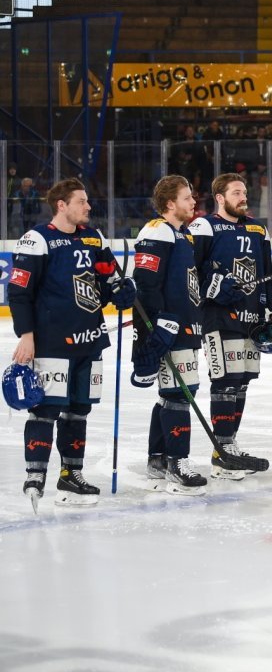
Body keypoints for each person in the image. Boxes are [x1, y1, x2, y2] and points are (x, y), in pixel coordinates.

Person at [9, 178, 136, 507]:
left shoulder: (94, 238)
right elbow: (19, 294)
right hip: (52, 345)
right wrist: (26, 336)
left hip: (90, 341)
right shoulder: (37, 240)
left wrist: (122, 290)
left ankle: (71, 476)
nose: (88, 206)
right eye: (81, 201)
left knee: (79, 411)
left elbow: (110, 279)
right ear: (61, 205)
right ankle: (35, 475)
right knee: (45, 411)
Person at [189, 173, 272, 479]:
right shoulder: (204, 226)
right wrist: (214, 286)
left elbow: (266, 273)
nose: (243, 197)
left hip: (252, 318)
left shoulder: (257, 228)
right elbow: (191, 273)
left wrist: (271, 310)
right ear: (220, 198)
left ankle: (229, 446)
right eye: (236, 193)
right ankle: (223, 451)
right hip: (218, 319)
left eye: (244, 192)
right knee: (225, 382)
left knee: (241, 383)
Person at [131, 175, 208, 494]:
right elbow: (146, 284)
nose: (193, 202)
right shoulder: (156, 231)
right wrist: (157, 326)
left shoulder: (183, 235)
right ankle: (178, 462)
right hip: (169, 328)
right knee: (180, 392)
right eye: (187, 197)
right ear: (169, 203)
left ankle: (159, 459)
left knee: (170, 393)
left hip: (185, 325)